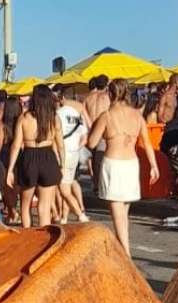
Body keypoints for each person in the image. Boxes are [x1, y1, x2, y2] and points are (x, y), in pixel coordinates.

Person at [88, 79, 159, 255]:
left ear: (110, 94)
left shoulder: (106, 116)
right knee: (123, 214)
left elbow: (92, 143)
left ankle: (125, 254)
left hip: (113, 164)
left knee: (118, 215)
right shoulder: (137, 116)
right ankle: (123, 250)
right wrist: (153, 165)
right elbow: (147, 143)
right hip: (131, 164)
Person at [6, 84, 63, 228]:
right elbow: (61, 145)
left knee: (25, 205)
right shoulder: (54, 118)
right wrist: (62, 164)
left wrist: (10, 169)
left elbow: (16, 145)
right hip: (48, 157)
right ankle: (44, 237)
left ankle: (28, 235)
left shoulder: (24, 118)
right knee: (44, 207)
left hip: (29, 157)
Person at [54, 86, 90, 223]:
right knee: (67, 185)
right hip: (74, 154)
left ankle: (80, 214)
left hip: (62, 154)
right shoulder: (77, 115)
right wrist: (75, 147)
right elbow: (84, 138)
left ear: (62, 98)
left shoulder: (57, 114)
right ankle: (64, 217)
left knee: (64, 190)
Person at [0, 96, 22, 224]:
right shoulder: (21, 121)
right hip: (18, 153)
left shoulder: (2, 124)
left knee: (5, 186)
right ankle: (14, 212)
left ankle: (12, 212)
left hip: (5, 154)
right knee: (16, 185)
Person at [84, 75, 110, 190]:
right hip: (102, 130)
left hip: (90, 130)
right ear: (106, 85)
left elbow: (83, 115)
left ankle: (96, 184)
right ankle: (102, 184)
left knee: (94, 159)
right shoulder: (107, 97)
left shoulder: (87, 98)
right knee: (102, 159)